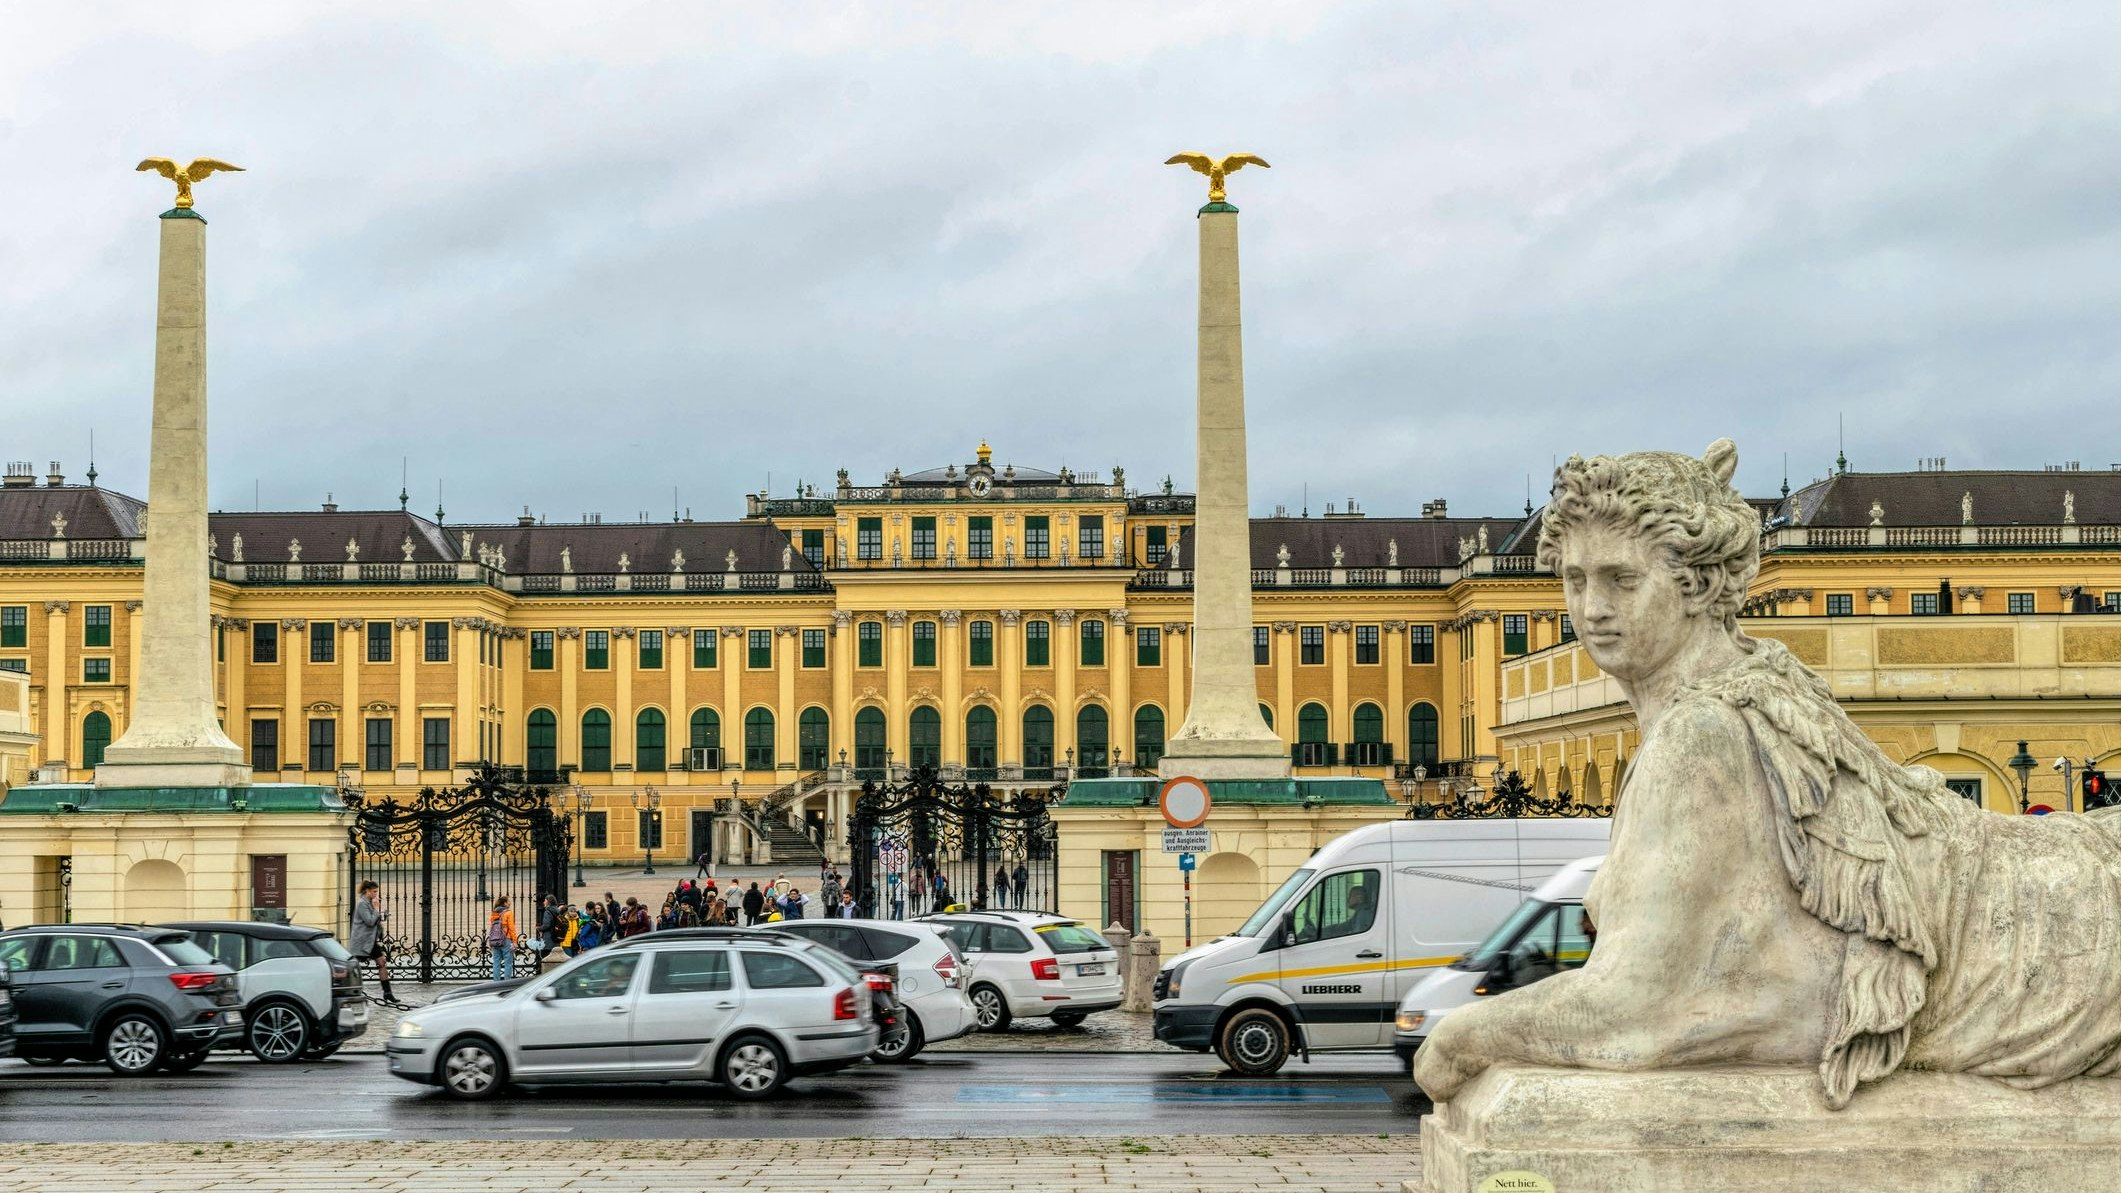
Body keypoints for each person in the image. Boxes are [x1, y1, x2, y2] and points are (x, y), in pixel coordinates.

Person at [350, 880, 406, 1009]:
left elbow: (373, 919)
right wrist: (376, 909)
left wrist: (382, 915)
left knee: (381, 963)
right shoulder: (362, 904)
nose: (376, 894)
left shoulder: (368, 903)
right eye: (374, 891)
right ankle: (352, 992)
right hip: (362, 942)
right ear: (367, 891)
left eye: (376, 891)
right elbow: (369, 921)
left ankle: (387, 993)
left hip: (370, 941)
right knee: (355, 967)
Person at [487, 895, 518, 981]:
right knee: (508, 963)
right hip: (506, 939)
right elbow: (511, 928)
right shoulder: (508, 913)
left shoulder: (494, 913)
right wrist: (515, 941)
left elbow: (492, 927)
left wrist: (490, 940)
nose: (510, 903)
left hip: (495, 940)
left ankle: (496, 982)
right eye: (508, 902)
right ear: (505, 903)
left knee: (496, 962)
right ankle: (507, 982)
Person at [533, 895, 559, 973]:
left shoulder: (548, 911)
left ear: (548, 901)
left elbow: (547, 925)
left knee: (546, 958)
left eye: (545, 900)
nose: (544, 902)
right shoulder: (557, 910)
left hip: (548, 938)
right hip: (556, 938)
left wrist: (539, 928)